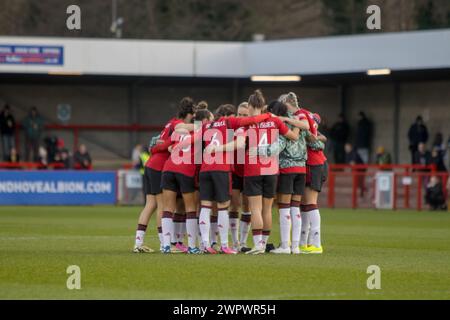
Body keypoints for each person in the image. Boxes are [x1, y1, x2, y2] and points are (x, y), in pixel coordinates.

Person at [233, 90, 298, 255]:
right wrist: (297, 123)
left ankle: (257, 245)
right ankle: (264, 242)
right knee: (267, 209)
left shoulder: (246, 122)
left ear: (249, 106)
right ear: (263, 106)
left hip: (253, 167)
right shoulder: (274, 120)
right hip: (271, 169)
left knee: (255, 208)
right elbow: (292, 136)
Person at [133, 97, 195, 253]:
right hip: (159, 166)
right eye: (193, 115)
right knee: (163, 206)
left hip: (150, 165)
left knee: (150, 205)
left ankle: (138, 243)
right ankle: (164, 244)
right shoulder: (178, 125)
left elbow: (158, 143)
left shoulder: (170, 122)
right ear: (189, 113)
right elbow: (193, 129)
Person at [160, 109, 213, 254]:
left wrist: (172, 147)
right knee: (191, 209)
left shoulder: (181, 129)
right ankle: (192, 246)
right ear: (205, 120)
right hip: (185, 170)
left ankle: (165, 246)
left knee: (168, 208)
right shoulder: (204, 131)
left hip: (169, 168)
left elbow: (169, 143)